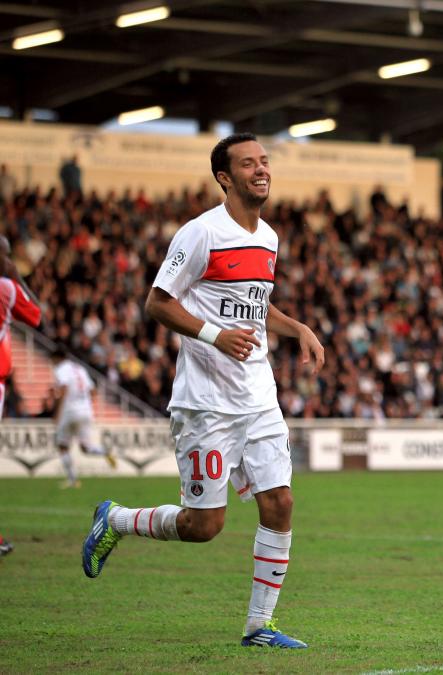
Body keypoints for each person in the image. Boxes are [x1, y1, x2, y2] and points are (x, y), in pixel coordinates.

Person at [80, 133, 325, 649]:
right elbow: (157, 302)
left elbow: (255, 308)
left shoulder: (270, 238)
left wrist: (296, 327)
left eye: (264, 161)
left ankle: (260, 625)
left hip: (258, 396)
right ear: (224, 177)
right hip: (206, 403)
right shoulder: (200, 235)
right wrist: (214, 335)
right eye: (248, 164)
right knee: (203, 526)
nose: (261, 170)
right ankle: (117, 520)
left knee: (279, 501)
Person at [50, 347, 117, 488]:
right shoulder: (80, 369)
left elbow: (63, 389)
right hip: (86, 411)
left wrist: (57, 413)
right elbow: (93, 391)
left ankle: (73, 480)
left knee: (62, 446)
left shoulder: (61, 369)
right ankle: (105, 451)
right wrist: (85, 404)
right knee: (86, 448)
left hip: (69, 412)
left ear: (57, 358)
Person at [0, 235, 42, 420]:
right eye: (6, 255)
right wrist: (17, 278)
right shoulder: (7, 288)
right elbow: (37, 315)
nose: (9, 261)